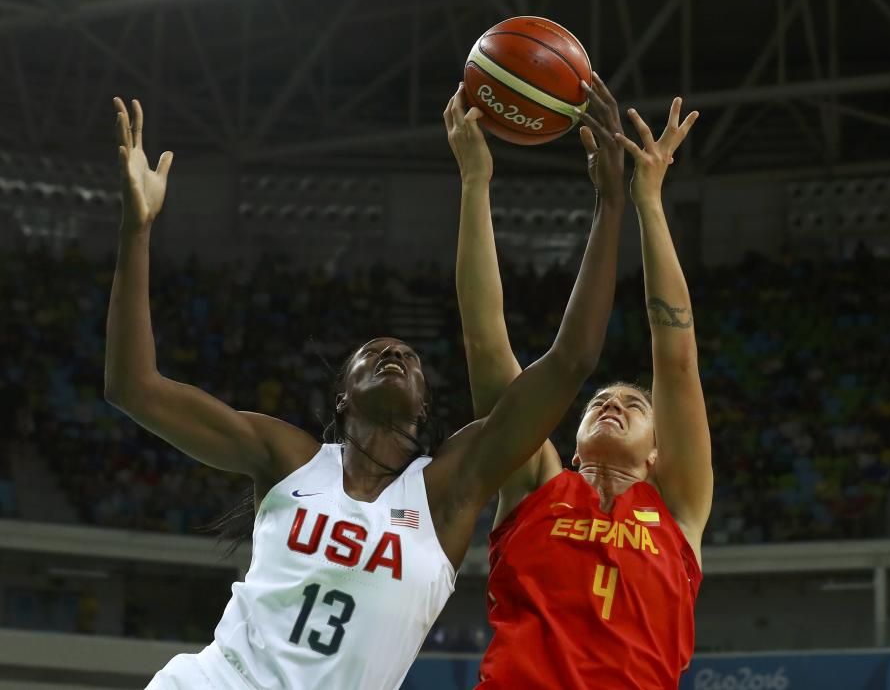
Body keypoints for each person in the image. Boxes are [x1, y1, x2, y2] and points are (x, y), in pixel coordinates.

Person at [105, 84, 623, 690]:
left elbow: (571, 361)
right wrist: (136, 228)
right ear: (343, 395)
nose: (393, 353)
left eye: (407, 355)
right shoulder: (286, 458)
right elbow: (133, 388)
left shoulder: (447, 491)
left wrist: (611, 203)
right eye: (374, 353)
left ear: (425, 404)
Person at [448, 76, 710, 689]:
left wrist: (647, 200)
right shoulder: (536, 483)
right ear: (572, 442)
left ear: (656, 452)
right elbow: (486, 344)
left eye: (631, 404)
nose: (612, 404)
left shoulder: (679, 507)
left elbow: (676, 357)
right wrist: (473, 183)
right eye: (601, 401)